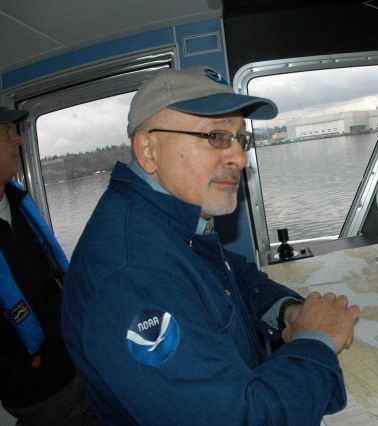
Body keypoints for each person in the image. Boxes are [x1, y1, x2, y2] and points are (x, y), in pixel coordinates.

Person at [61, 66, 360, 425]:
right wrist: (316, 339)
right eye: (216, 137)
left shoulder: (164, 218)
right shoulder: (132, 274)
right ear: (149, 150)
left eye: (240, 139)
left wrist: (288, 313)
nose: (240, 158)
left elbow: (232, 276)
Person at [0, 107, 97, 425]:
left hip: (73, 365)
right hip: (35, 391)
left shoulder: (17, 204)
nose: (17, 140)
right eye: (6, 132)